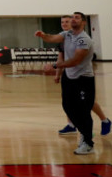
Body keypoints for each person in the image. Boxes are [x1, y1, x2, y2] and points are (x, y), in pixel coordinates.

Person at [40, 12, 96, 154]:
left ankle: (88, 142)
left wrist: (54, 66)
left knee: (84, 111)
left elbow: (75, 61)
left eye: (76, 18)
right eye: (72, 17)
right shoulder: (68, 34)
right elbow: (53, 38)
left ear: (83, 22)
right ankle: (84, 132)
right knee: (68, 107)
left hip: (83, 79)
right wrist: (43, 35)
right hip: (69, 78)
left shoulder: (84, 39)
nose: (73, 20)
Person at [54, 16, 112, 136]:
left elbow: (77, 59)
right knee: (68, 101)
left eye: (67, 21)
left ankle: (104, 120)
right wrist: (58, 74)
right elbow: (60, 59)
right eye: (62, 22)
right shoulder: (63, 38)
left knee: (88, 102)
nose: (64, 24)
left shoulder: (81, 38)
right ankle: (71, 124)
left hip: (82, 75)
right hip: (69, 74)